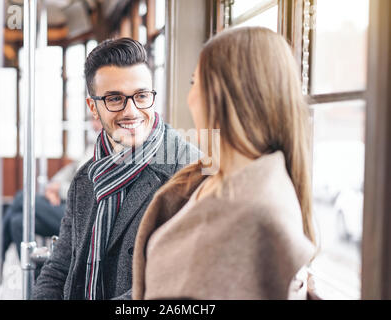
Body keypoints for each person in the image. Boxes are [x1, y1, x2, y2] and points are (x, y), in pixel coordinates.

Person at [132, 27, 317, 300]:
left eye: (196, 82)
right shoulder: (210, 179)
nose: (189, 97)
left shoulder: (257, 212)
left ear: (224, 96)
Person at [33, 38, 201, 300]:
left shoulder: (189, 172)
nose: (131, 111)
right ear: (94, 107)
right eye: (114, 99)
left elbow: (174, 285)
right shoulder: (85, 180)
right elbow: (59, 267)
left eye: (142, 96)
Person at [0, 118, 102, 279]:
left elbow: (91, 188)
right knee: (17, 222)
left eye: (96, 120)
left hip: (81, 215)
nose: (93, 123)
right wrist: (53, 186)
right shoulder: (93, 144)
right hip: (64, 204)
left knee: (21, 198)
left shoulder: (107, 150)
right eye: (91, 119)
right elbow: (71, 169)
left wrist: (58, 189)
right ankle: (38, 281)